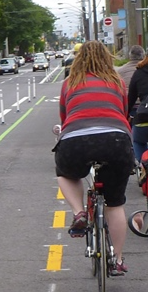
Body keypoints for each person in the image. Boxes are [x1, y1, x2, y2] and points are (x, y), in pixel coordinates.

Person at [53, 40, 135, 276]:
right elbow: (124, 112)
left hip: (75, 139)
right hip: (116, 139)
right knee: (115, 203)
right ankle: (117, 260)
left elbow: (65, 115)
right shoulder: (116, 81)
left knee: (65, 175)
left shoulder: (70, 82)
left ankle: (79, 212)